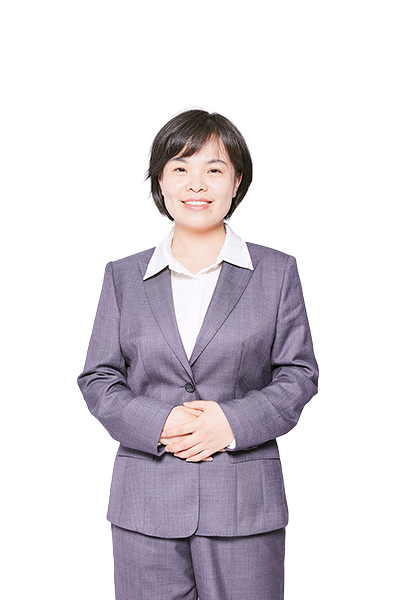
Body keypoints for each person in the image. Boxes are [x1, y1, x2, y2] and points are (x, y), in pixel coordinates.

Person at [77, 106, 319, 600]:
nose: (197, 184)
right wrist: (159, 421)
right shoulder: (121, 277)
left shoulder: (277, 272)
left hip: (245, 507)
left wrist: (230, 423)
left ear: (236, 182)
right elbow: (98, 378)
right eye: (180, 168)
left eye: (214, 169)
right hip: (144, 507)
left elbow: (298, 374)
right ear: (160, 182)